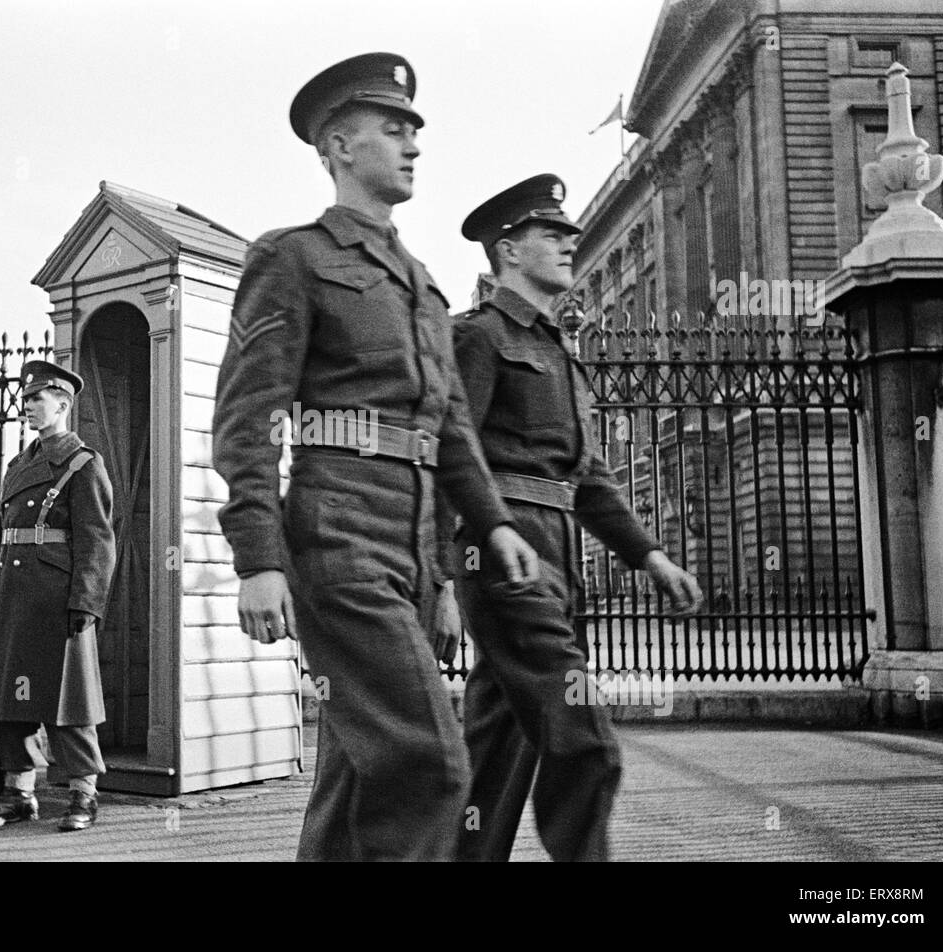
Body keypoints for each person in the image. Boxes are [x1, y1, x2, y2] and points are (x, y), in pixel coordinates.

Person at [212, 52, 540, 861]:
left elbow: (453, 433)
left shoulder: (424, 289)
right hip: (339, 537)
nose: (414, 145)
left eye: (415, 131)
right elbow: (246, 422)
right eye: (392, 130)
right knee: (430, 762)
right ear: (338, 147)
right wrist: (259, 558)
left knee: (359, 774)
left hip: (417, 551)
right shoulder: (292, 258)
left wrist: (488, 532)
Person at [445, 174, 703, 861]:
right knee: (581, 731)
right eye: (550, 234)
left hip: (556, 553)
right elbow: (449, 449)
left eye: (568, 233)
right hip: (505, 555)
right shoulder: (478, 337)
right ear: (507, 250)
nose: (568, 243)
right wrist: (447, 571)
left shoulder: (561, 354)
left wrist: (650, 556)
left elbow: (588, 479)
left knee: (499, 748)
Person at [0, 360, 116, 832]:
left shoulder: (82, 463)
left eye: (37, 398)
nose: (28, 406)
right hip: (12, 596)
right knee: (10, 699)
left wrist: (85, 601)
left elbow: (97, 539)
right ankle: (17, 793)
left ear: (63, 404)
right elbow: (3, 538)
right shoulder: (18, 465)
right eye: (25, 399)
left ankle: (82, 794)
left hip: (56, 598)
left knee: (68, 701)